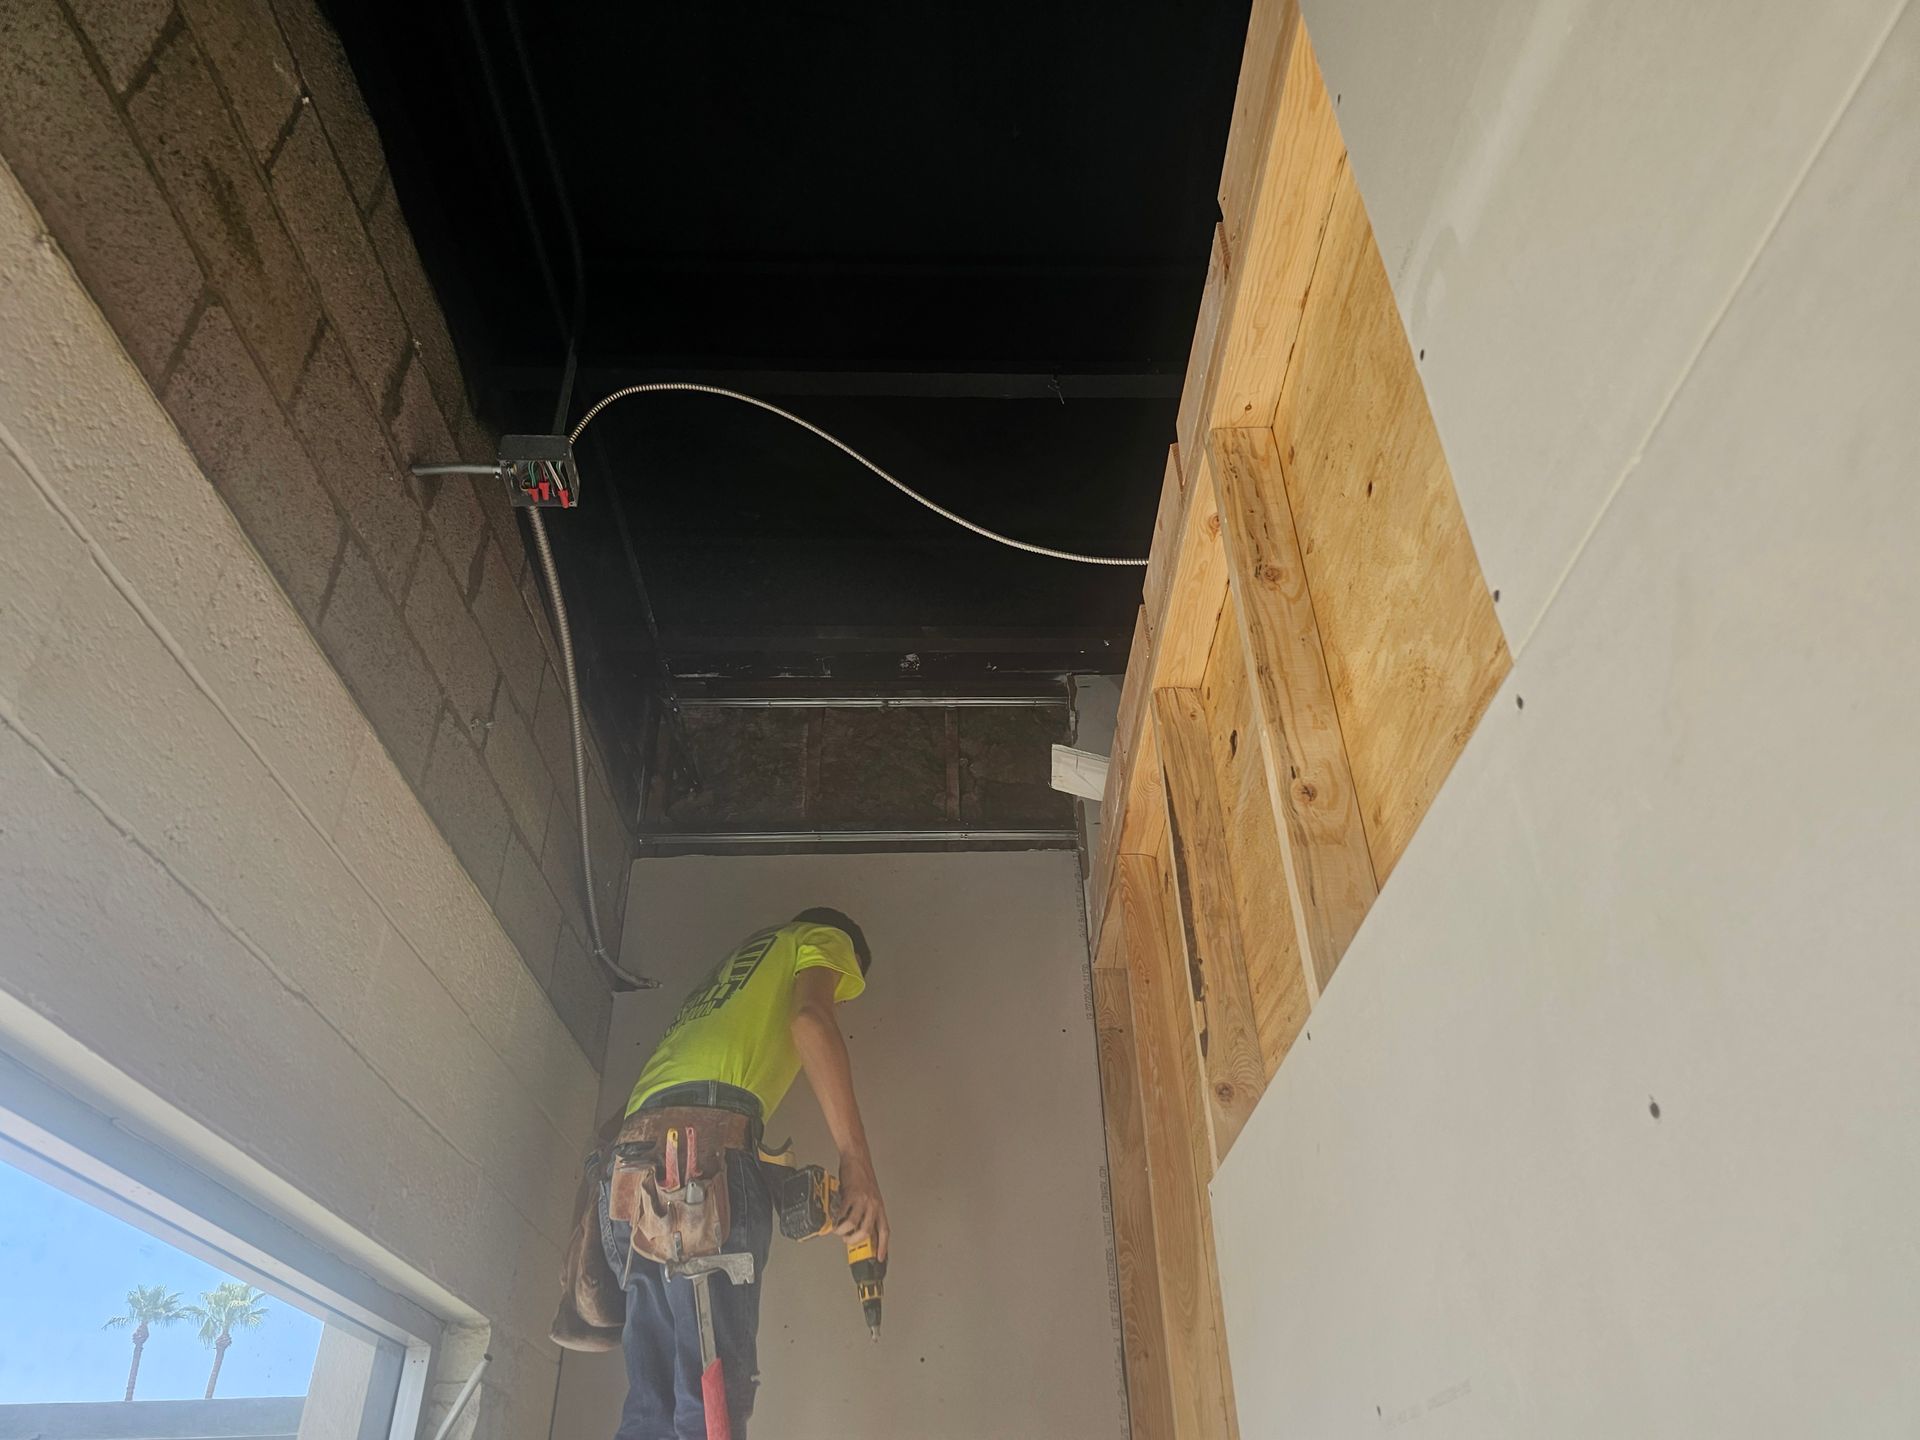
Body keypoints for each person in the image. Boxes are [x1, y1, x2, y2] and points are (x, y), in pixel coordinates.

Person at [597, 907, 889, 1440]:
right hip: (696, 1165)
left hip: (629, 1176)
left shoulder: (731, 983)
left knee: (651, 1405)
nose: (837, 999)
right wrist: (857, 1163)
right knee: (710, 1401)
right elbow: (811, 1022)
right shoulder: (820, 938)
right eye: (842, 991)